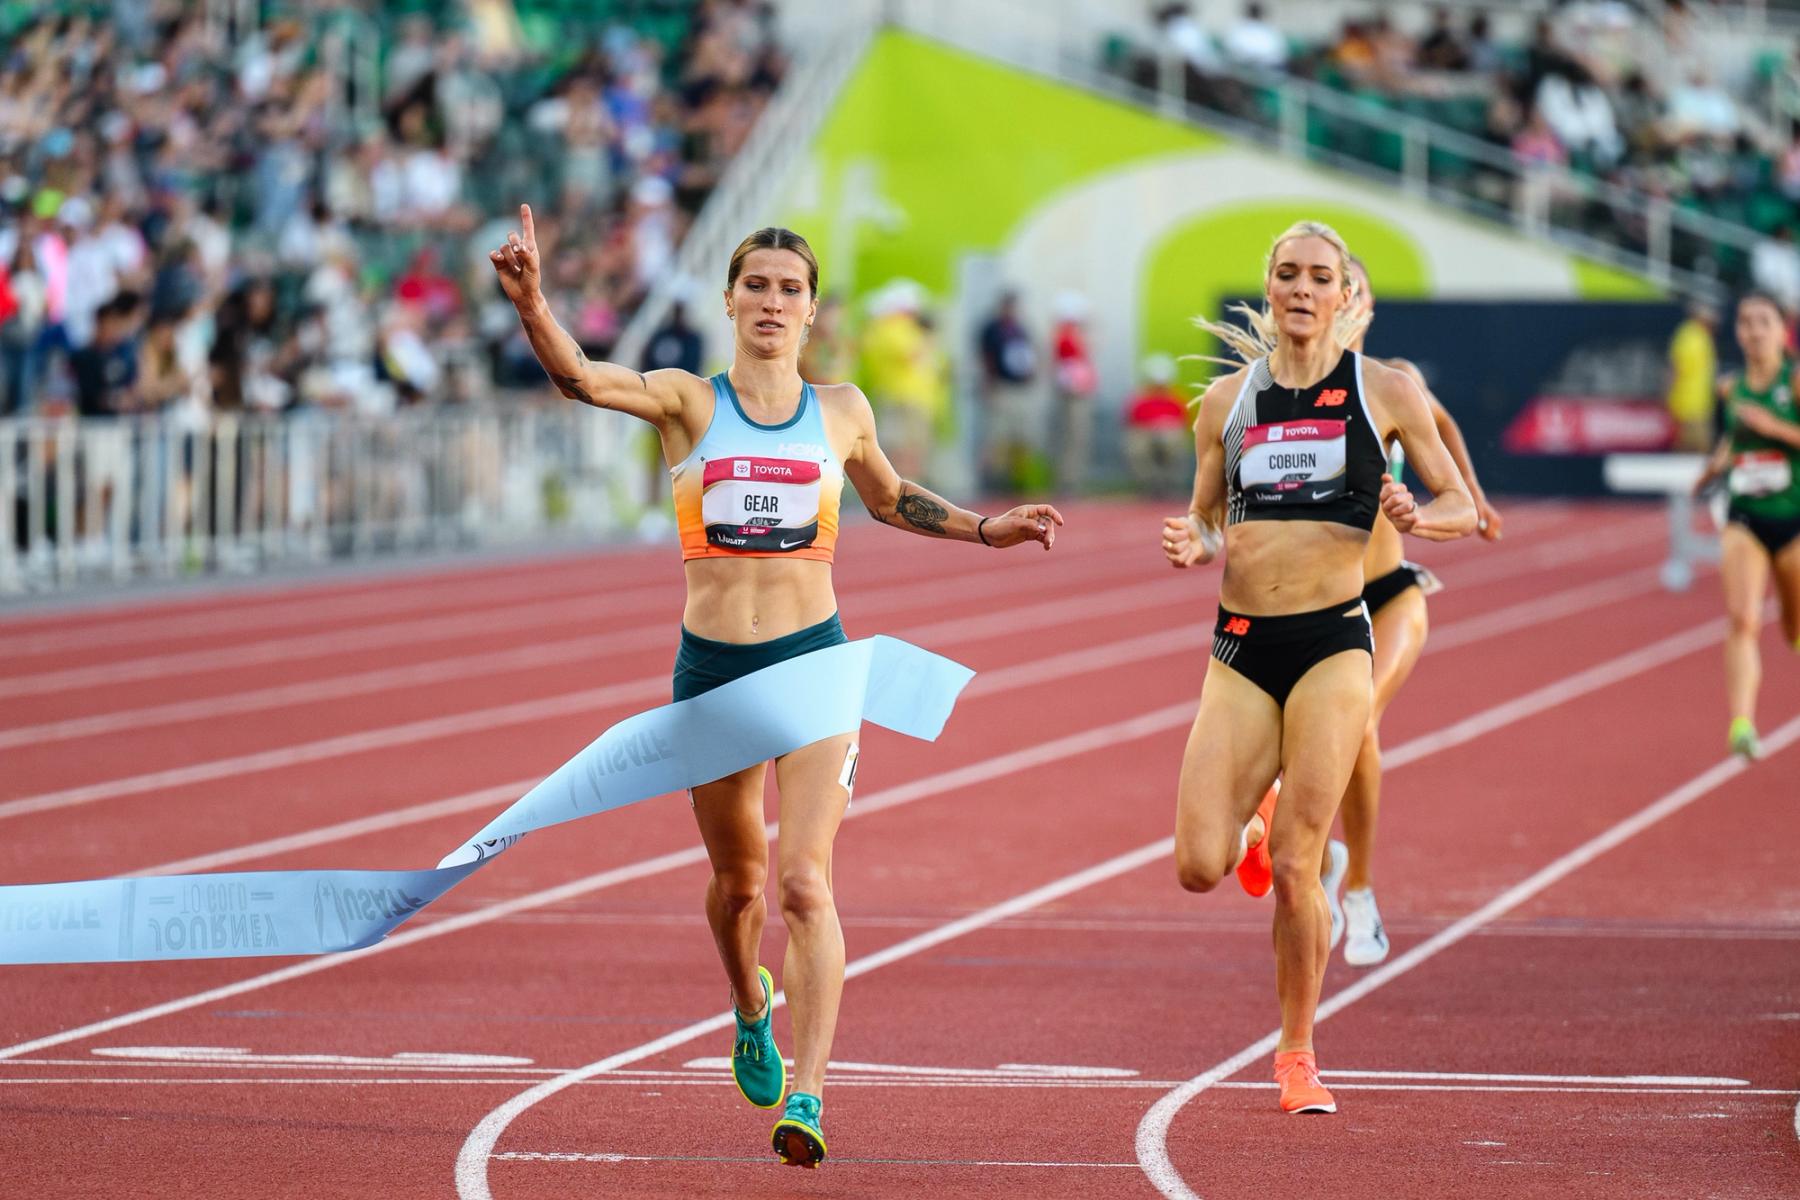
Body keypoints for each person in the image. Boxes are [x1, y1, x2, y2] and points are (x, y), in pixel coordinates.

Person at [489, 210, 1061, 1166]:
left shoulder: (842, 410)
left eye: (790, 289)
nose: (771, 301)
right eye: (755, 285)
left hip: (814, 668)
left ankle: (810, 1095)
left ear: (811, 310)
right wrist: (532, 304)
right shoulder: (686, 401)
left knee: (803, 882)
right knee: (739, 886)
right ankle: (749, 1001)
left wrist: (984, 528)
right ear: (728, 300)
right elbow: (583, 378)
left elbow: (890, 498)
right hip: (714, 675)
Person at [1161, 221, 1475, 1116]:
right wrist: (1196, 540)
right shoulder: (1226, 404)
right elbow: (1209, 516)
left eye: (1320, 277)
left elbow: (1458, 499)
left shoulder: (1384, 390)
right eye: (1288, 274)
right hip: (1240, 647)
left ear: (1344, 296)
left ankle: (1296, 1054)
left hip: (1333, 642)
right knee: (1197, 863)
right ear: (1269, 288)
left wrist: (1422, 517)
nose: (1303, 289)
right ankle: (1249, 837)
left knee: (1302, 866)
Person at [1322, 256, 1504, 967]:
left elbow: (1446, 425)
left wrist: (1472, 498)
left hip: (1392, 592)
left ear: (1363, 305)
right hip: (1320, 604)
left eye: (1352, 288)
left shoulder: (1392, 381)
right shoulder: (1285, 393)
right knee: (1327, 737)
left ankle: (1360, 891)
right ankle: (1327, 862)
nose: (1341, 300)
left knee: (1358, 720)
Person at [1693, 291, 1800, 761]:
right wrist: (1713, 467)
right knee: (1743, 618)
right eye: (1745, 322)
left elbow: (1767, 429)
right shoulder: (1729, 388)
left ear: (1782, 330)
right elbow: (1734, 440)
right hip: (1744, 516)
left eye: (1763, 322)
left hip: (1793, 518)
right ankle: (1742, 724)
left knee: (1794, 628)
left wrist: (1774, 428)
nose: (1753, 331)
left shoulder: (1794, 382)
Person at [976, 289, 1040, 491]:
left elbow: (1029, 355)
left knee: (1020, 436)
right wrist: (989, 384)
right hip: (1001, 387)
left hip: (1019, 388)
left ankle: (1018, 481)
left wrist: (1031, 374)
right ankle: (994, 480)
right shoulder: (992, 329)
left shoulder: (1020, 329)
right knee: (998, 436)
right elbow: (986, 358)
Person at [1123, 353, 1191, 497]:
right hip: (1146, 433)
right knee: (1137, 446)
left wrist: (1164, 427)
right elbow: (1131, 422)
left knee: (1173, 442)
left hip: (1168, 434)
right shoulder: (1140, 400)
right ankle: (1149, 483)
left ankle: (1170, 483)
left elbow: (1183, 423)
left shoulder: (1176, 400)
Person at [1668, 301, 1720, 452]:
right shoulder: (1689, 336)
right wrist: (1671, 399)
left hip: (1701, 406)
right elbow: (1675, 369)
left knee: (1697, 451)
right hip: (1688, 408)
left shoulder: (1702, 336)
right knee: (1692, 452)